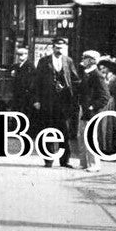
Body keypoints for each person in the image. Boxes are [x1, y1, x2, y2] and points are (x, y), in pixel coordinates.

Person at [33, 36, 80, 168]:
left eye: (62, 48)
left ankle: (65, 160)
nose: (60, 50)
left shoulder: (68, 61)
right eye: (57, 47)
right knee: (48, 130)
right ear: (53, 48)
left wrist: (71, 90)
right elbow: (36, 82)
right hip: (47, 101)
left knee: (64, 131)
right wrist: (36, 100)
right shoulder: (43, 61)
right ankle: (48, 160)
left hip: (63, 103)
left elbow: (75, 79)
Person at [76, 50, 111, 172]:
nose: (83, 60)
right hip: (84, 109)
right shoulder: (87, 73)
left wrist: (93, 107)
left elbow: (105, 96)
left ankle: (94, 164)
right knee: (81, 136)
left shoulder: (97, 75)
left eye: (85, 58)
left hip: (90, 111)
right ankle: (84, 162)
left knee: (90, 137)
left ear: (91, 60)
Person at [9, 45, 36, 124]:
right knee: (17, 110)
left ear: (26, 55)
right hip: (17, 92)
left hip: (25, 93)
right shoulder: (16, 66)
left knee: (24, 111)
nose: (21, 56)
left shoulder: (30, 66)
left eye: (23, 54)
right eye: (19, 55)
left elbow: (31, 80)